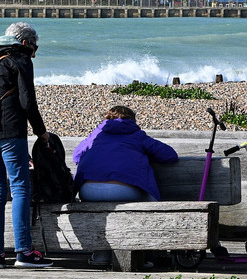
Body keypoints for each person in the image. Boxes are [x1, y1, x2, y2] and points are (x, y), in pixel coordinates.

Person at [0, 22, 53, 269]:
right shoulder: (19, 59)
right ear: (24, 44)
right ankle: (24, 252)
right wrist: (41, 133)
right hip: (10, 132)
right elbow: (27, 101)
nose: (34, 53)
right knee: (20, 188)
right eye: (34, 48)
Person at [72, 105, 178, 267]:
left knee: (100, 210)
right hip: (124, 189)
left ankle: (101, 254)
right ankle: (145, 254)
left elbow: (76, 155)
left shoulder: (96, 135)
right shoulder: (137, 135)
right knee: (152, 202)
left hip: (89, 190)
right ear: (132, 121)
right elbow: (170, 155)